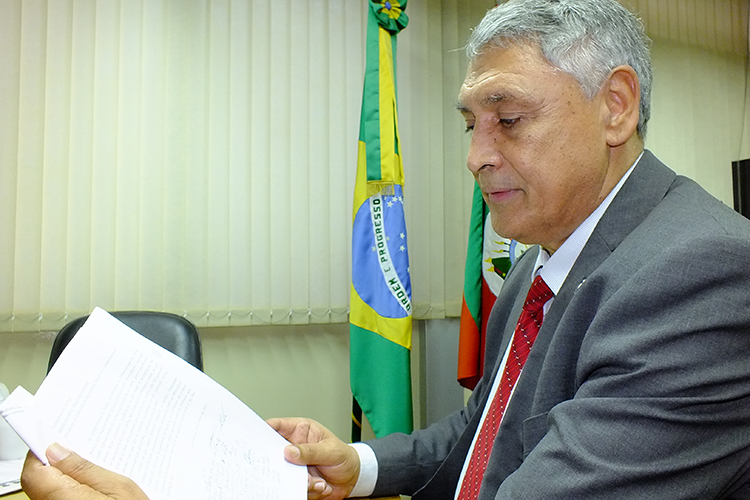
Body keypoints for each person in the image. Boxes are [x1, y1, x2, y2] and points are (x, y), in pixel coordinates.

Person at [20, 0, 750, 498]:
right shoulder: (539, 263)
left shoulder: (700, 276)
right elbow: (485, 431)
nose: (476, 156)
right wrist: (359, 464)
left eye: (508, 119)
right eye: (470, 124)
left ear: (615, 107)